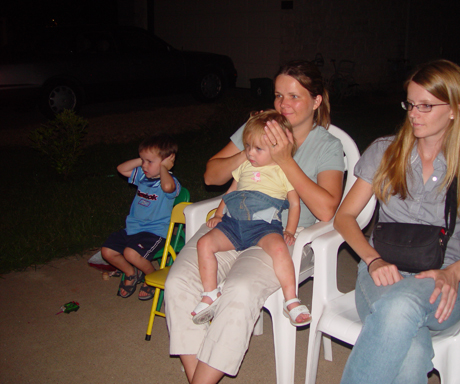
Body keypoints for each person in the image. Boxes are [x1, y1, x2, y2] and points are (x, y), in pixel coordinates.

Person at [164, 60, 345, 383]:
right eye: (278, 95)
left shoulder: (327, 146)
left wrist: (284, 159)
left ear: (317, 101)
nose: (283, 105)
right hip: (231, 224)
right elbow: (212, 174)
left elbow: (327, 209)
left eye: (294, 96)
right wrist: (252, 149)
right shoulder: (258, 128)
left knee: (240, 289)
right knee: (179, 282)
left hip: (282, 236)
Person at [334, 59, 460, 384]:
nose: (414, 114)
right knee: (412, 348)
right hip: (380, 271)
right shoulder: (385, 151)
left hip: (447, 279)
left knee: (400, 308)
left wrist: (455, 273)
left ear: (456, 109)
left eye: (426, 106)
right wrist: (372, 260)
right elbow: (345, 217)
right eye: (411, 104)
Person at [192, 109, 311, 327]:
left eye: (258, 148)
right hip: (233, 225)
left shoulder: (284, 171)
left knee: (279, 250)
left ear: (277, 148)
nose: (250, 153)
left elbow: (295, 203)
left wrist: (290, 230)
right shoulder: (244, 166)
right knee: (204, 244)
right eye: (247, 146)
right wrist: (219, 214)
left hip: (264, 228)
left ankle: (291, 299)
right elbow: (231, 192)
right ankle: (210, 293)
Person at [102, 132, 181, 300]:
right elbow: (121, 169)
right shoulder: (143, 178)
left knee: (131, 254)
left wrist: (163, 168)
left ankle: (151, 275)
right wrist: (145, 158)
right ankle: (131, 272)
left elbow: (168, 188)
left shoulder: (169, 182)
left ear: (167, 161)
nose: (144, 166)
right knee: (107, 251)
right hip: (133, 229)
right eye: (143, 161)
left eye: (149, 162)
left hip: (155, 233)